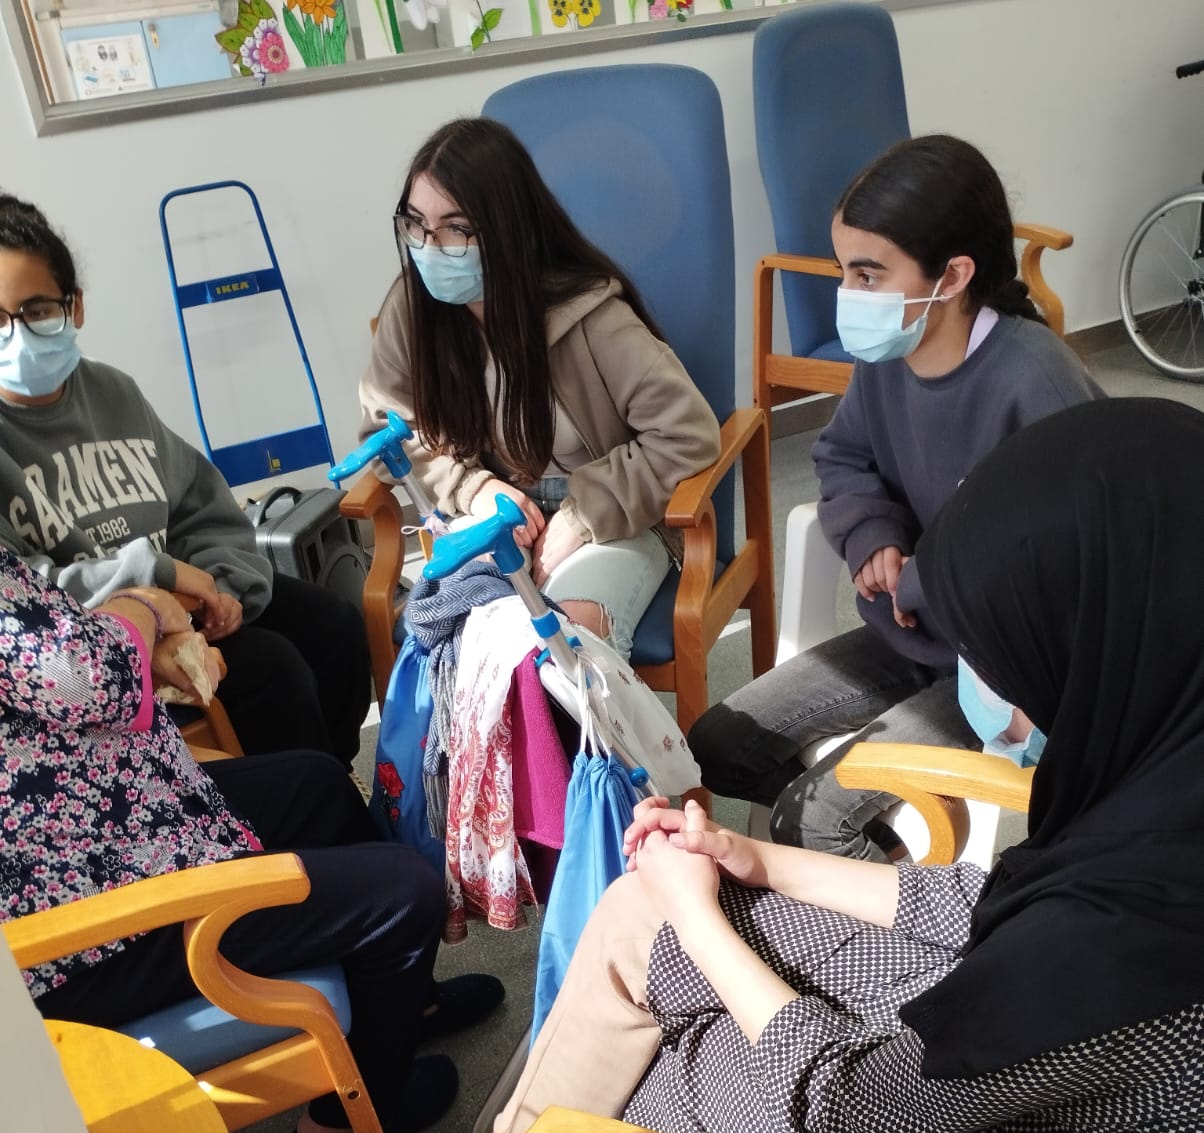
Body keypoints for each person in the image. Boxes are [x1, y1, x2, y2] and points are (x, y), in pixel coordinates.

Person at [356, 397, 1204, 1133]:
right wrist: (753, 858)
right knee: (654, 931)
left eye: (992, 653)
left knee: (647, 1043)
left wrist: (701, 919)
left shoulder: (1120, 941)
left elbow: (850, 1101)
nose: (976, 681)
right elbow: (988, 900)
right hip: (1034, 1109)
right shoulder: (1162, 796)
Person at [0, 546, 504, 1133]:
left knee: (320, 786)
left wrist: (138, 638)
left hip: (110, 825)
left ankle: (402, 1012)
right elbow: (87, 680)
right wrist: (142, 603)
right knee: (405, 893)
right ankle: (348, 1117)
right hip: (78, 930)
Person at [687, 135, 1102, 858]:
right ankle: (890, 866)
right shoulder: (892, 354)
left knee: (808, 824)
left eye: (868, 274)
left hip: (1007, 672)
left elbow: (1072, 563)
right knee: (718, 746)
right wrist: (871, 532)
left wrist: (917, 580)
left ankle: (892, 904)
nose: (848, 296)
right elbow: (842, 454)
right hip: (916, 636)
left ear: (954, 275)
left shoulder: (1036, 384)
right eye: (845, 271)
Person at [0, 193, 371, 766]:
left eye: (38, 310)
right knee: (277, 674)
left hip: (193, 602)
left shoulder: (112, 392)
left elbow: (199, 504)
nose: (18, 336)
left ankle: (340, 778)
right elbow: (26, 595)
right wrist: (159, 581)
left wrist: (223, 584)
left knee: (336, 626)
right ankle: (305, 808)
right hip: (107, 642)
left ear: (75, 306)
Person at [359, 117, 721, 661]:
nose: (429, 247)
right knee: (466, 643)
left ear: (508, 229)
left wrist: (581, 515)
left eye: (455, 228)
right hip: (494, 512)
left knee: (562, 648)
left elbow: (688, 435)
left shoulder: (592, 317)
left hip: (613, 518)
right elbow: (385, 433)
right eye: (416, 224)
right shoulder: (412, 309)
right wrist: (475, 489)